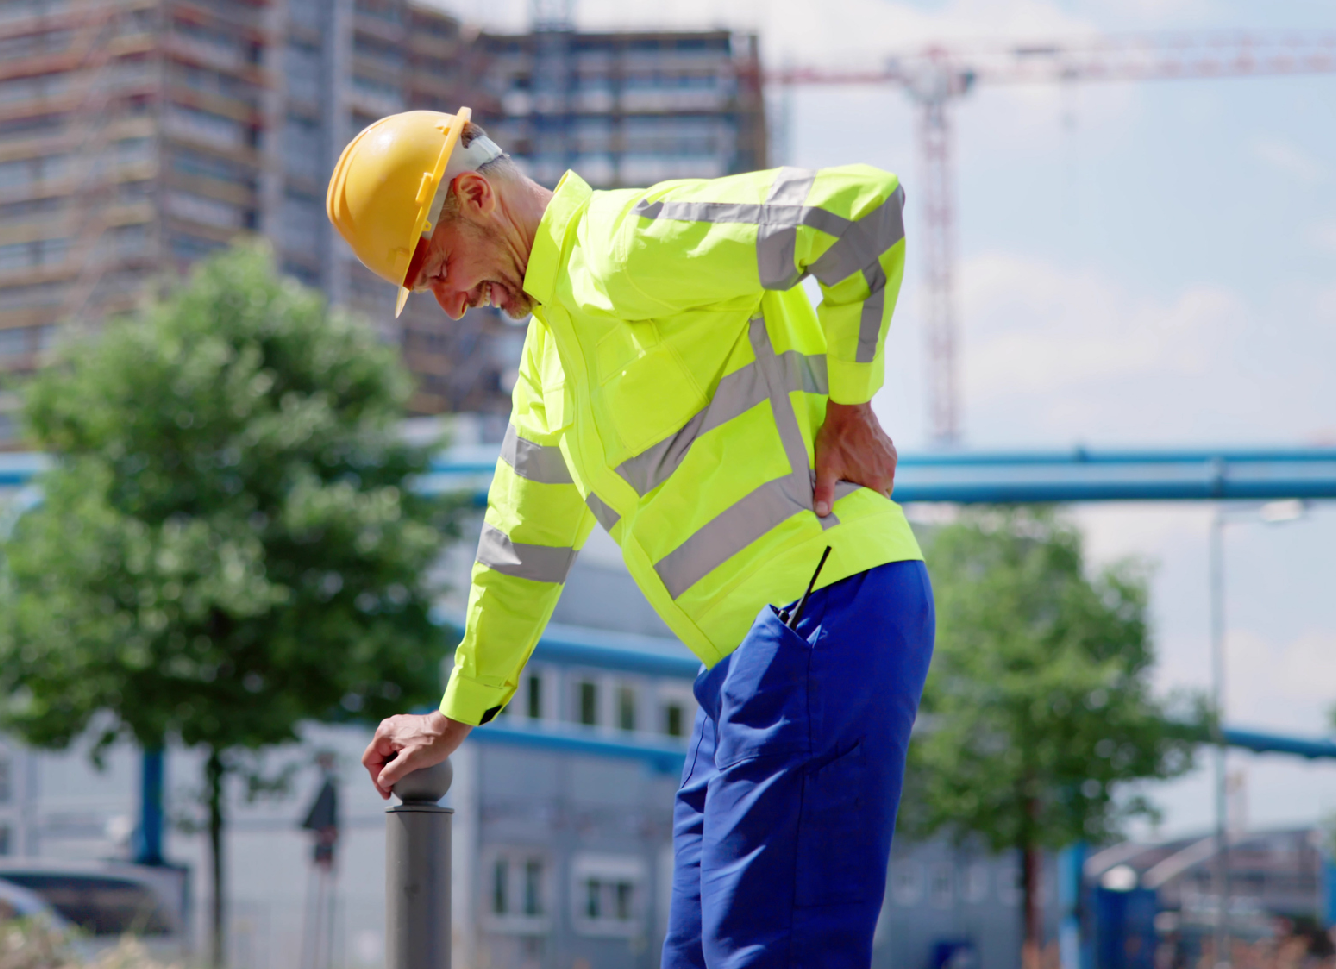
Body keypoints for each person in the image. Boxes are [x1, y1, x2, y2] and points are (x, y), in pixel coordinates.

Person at [330, 107, 933, 968]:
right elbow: (520, 551)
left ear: (475, 195)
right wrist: (454, 718)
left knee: (767, 954)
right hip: (754, 663)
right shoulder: (549, 363)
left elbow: (860, 212)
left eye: (440, 272)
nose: (456, 305)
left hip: (826, 609)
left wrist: (850, 403)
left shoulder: (625, 245)